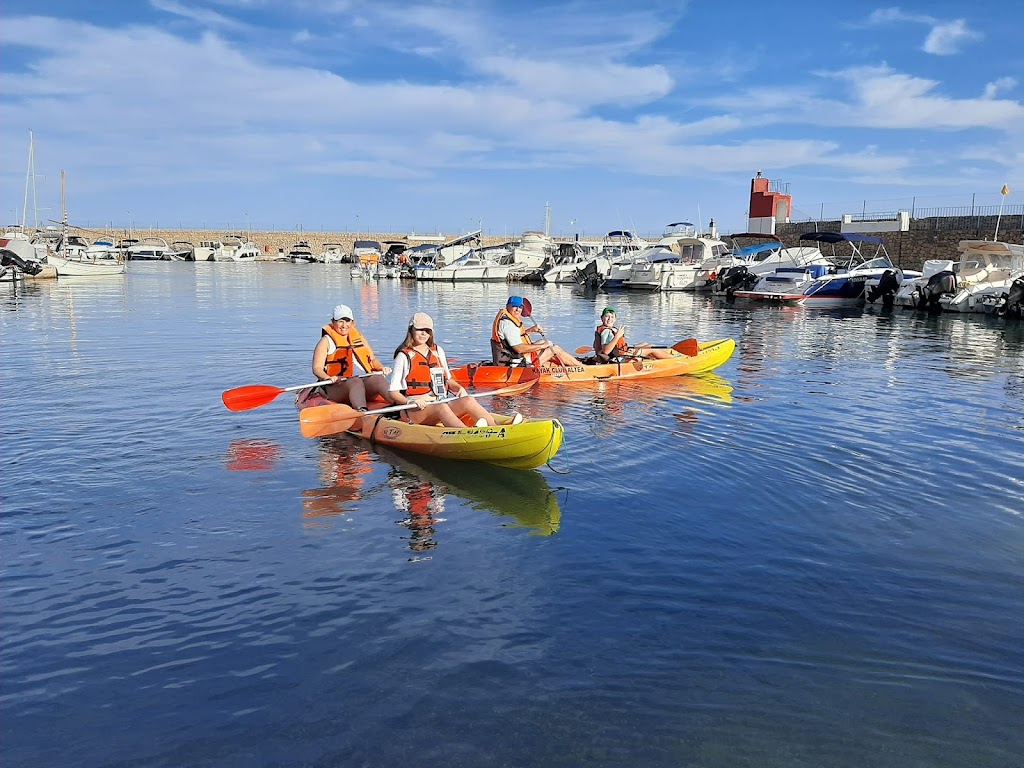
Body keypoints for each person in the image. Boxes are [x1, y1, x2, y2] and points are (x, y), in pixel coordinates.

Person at [390, 312, 521, 428]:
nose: (424, 334)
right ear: (411, 330)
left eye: (427, 330)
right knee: (441, 407)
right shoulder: (404, 356)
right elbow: (393, 393)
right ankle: (466, 433)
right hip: (415, 410)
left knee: (468, 400)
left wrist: (458, 388)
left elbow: (448, 380)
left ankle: (496, 427)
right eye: (419, 330)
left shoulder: (437, 351)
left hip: (438, 402)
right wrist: (410, 401)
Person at [310, 304, 394, 410]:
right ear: (333, 322)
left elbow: (372, 359)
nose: (344, 325)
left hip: (363, 382)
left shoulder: (358, 337)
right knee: (355, 382)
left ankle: (400, 404)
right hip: (337, 386)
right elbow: (317, 368)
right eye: (340, 321)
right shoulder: (326, 341)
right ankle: (362, 410)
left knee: (378, 379)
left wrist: (381, 368)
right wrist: (327, 377)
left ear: (353, 323)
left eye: (347, 321)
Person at [491, 295, 583, 368]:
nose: (518, 309)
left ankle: (563, 364)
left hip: (517, 356)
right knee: (555, 349)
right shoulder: (508, 325)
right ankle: (581, 367)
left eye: (520, 307)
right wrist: (542, 346)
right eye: (514, 306)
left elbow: (517, 338)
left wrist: (531, 330)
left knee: (546, 342)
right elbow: (519, 349)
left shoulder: (508, 319)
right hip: (517, 362)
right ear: (507, 306)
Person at [594, 306, 676, 363]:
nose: (609, 319)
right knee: (652, 349)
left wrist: (625, 350)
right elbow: (606, 351)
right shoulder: (606, 331)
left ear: (615, 319)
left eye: (612, 317)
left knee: (645, 345)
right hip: (616, 359)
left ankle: (660, 357)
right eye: (607, 316)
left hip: (619, 354)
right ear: (602, 318)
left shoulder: (608, 330)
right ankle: (676, 360)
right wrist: (617, 336)